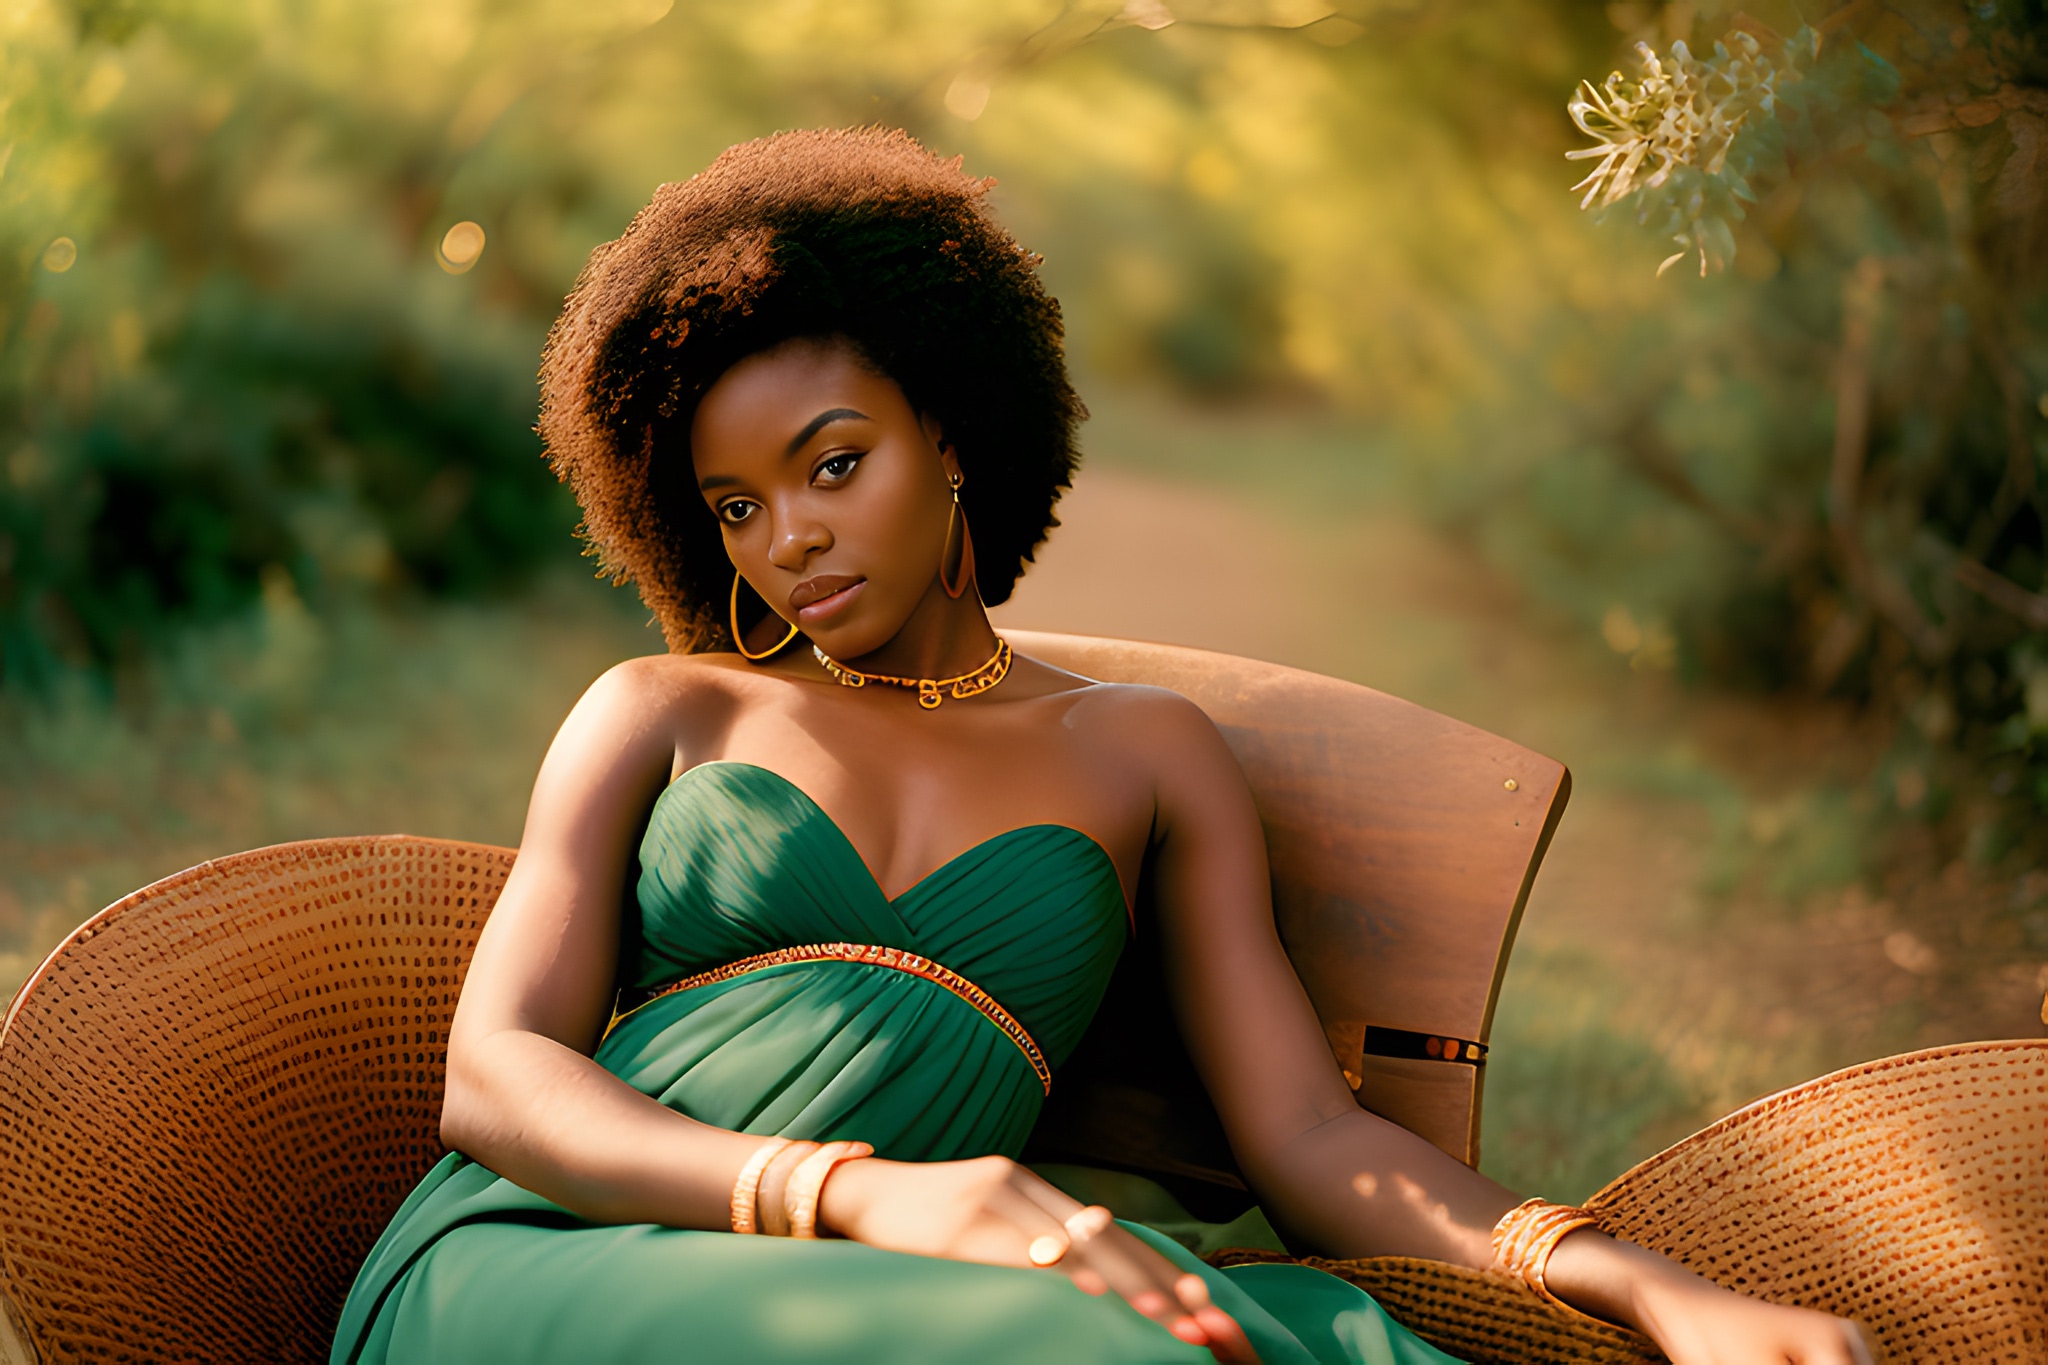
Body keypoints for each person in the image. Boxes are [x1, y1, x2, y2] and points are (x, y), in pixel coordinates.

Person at [330, 127, 1873, 1365]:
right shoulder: (666, 711)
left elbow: (1313, 1136)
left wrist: (1650, 1289)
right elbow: (496, 1075)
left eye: (835, 464)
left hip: (940, 1296)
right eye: (737, 506)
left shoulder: (1144, 755)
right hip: (552, 1267)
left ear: (951, 434)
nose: (789, 539)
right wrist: (860, 1193)